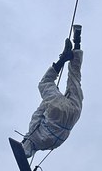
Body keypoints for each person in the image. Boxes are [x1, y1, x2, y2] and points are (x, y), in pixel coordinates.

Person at [20, 25, 83, 160]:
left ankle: (77, 42)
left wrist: (55, 97)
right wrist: (52, 97)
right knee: (45, 83)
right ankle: (62, 59)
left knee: (75, 79)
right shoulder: (32, 134)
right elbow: (39, 112)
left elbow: (62, 138)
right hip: (56, 113)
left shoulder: (48, 146)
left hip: (74, 114)